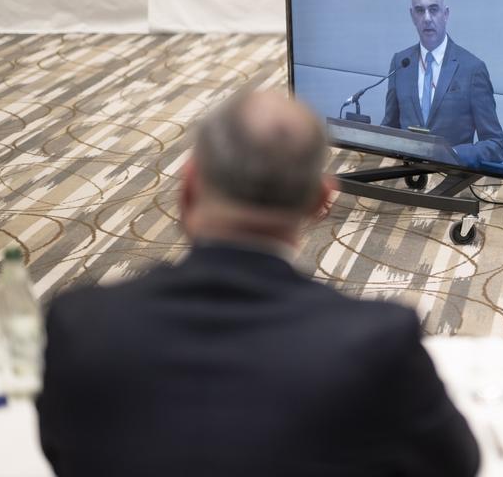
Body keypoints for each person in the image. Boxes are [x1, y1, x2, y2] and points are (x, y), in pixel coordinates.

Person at [38, 90, 480, 477]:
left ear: (189, 185)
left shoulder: (80, 323)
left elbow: (63, 453)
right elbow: (456, 465)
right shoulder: (379, 342)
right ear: (321, 200)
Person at [382, 0, 503, 168]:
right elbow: (389, 128)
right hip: (404, 179)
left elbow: (496, 146)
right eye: (420, 10)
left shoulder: (472, 69)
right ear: (412, 15)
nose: (427, 18)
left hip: (452, 183)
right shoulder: (400, 63)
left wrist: (452, 154)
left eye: (433, 9)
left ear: (445, 14)